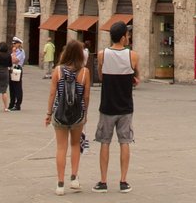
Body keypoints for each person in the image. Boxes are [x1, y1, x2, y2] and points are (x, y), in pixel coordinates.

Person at [93, 21, 140, 193]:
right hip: (125, 107)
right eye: (127, 35)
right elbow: (137, 77)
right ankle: (123, 181)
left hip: (107, 106)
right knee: (125, 142)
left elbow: (100, 75)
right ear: (122, 37)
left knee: (104, 142)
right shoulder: (132, 56)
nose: (129, 37)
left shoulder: (102, 54)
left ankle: (103, 181)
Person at [45, 39, 91, 196]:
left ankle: (60, 184)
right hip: (77, 115)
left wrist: (48, 113)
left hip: (59, 113)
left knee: (61, 148)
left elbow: (52, 93)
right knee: (76, 145)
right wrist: (85, 113)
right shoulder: (85, 72)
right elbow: (86, 96)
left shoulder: (57, 71)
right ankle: (74, 178)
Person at [9, 36, 26, 110]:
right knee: (11, 87)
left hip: (17, 69)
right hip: (12, 68)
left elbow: (15, 60)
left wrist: (13, 53)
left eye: (15, 43)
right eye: (13, 43)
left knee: (17, 87)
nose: (13, 45)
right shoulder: (15, 51)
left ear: (19, 44)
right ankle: (11, 103)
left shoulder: (21, 51)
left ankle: (17, 104)